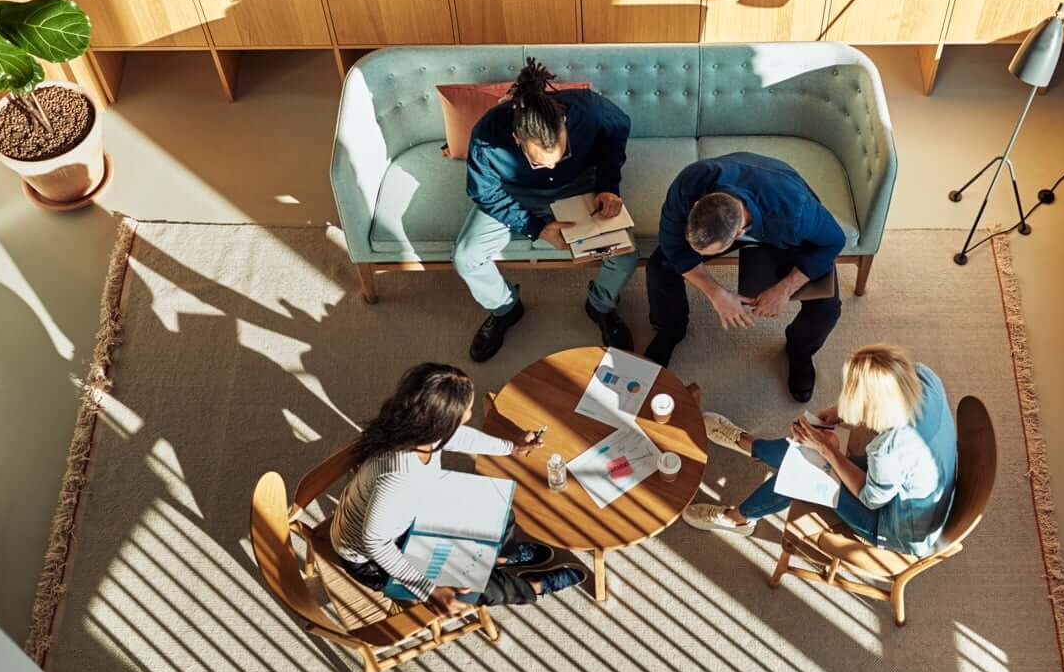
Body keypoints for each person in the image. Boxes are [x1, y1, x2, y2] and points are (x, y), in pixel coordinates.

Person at [331, 363, 586, 616]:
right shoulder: (398, 477)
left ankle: (502, 557)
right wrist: (429, 590)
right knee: (471, 587)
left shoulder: (414, 428)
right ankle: (532, 587)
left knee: (496, 504)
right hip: (373, 560)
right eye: (466, 410)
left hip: (407, 512)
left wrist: (512, 446)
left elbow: (462, 438)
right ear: (442, 422)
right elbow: (375, 543)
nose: (469, 413)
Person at [682, 344, 958, 559]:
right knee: (803, 461)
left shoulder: (888, 449)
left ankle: (738, 517)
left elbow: (871, 499)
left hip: (894, 525)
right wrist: (841, 412)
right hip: (919, 483)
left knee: (803, 473)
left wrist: (828, 451)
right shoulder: (923, 375)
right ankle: (751, 447)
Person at [457, 57, 638, 363]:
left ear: (564, 124)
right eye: (540, 161)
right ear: (517, 139)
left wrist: (608, 185)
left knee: (625, 256)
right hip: (513, 194)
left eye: (559, 153)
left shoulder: (588, 109)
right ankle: (505, 309)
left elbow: (619, 129)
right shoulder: (487, 135)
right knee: (466, 257)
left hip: (579, 184)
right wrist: (536, 228)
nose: (551, 165)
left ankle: (600, 305)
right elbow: (483, 192)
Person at [644, 152, 845, 402]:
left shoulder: (796, 212)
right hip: (737, 212)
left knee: (828, 308)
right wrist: (716, 293)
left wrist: (783, 289)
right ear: (697, 205)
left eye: (704, 253)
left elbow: (834, 241)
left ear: (738, 234)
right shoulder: (689, 184)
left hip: (782, 226)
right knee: (660, 266)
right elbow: (674, 249)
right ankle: (670, 330)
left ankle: (800, 351)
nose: (694, 256)